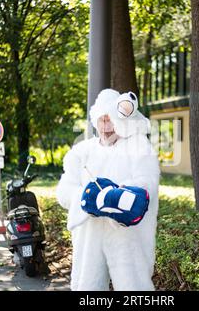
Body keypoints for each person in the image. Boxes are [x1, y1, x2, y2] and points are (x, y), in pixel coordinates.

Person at [56, 89, 160, 290]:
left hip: (126, 236)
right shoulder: (81, 152)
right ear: (95, 120)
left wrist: (118, 197)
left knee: (134, 287)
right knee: (87, 287)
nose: (106, 126)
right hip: (89, 234)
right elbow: (65, 190)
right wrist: (86, 197)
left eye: (111, 119)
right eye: (102, 120)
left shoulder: (139, 147)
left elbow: (147, 183)